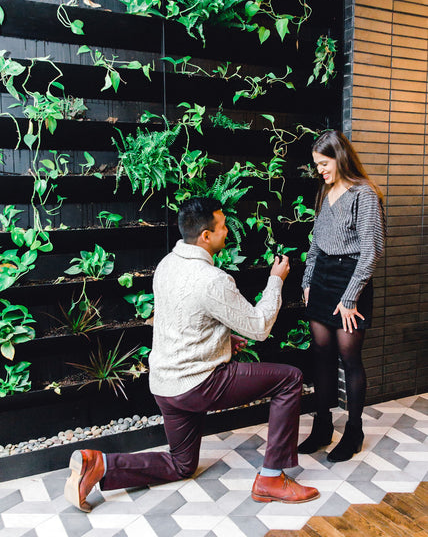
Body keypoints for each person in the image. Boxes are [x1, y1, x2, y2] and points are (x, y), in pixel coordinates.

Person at [64, 196, 320, 512]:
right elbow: (259, 327)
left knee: (182, 464)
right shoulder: (213, 279)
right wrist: (274, 282)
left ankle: (100, 465)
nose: (228, 232)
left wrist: (224, 340)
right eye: (223, 227)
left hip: (164, 385)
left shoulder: (166, 265)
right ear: (206, 236)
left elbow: (185, 320)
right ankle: (270, 478)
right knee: (290, 378)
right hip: (198, 384)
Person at [298, 130, 385, 462]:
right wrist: (308, 281)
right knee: (320, 353)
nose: (320, 170)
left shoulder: (364, 194)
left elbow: (371, 251)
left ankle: (354, 431)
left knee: (349, 357)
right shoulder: (325, 193)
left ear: (340, 157)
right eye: (317, 165)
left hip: (352, 281)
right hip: (321, 280)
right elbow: (315, 243)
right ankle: (322, 428)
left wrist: (349, 299)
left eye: (323, 163)